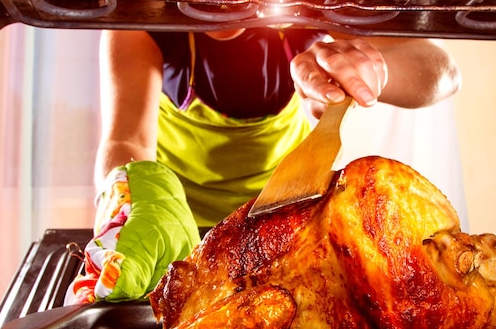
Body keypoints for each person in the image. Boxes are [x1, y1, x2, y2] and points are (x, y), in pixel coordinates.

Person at [70, 26, 460, 304]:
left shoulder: (304, 17)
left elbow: (443, 73)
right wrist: (130, 206)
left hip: (285, 225)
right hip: (179, 233)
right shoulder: (145, 22)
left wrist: (378, 70)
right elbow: (125, 139)